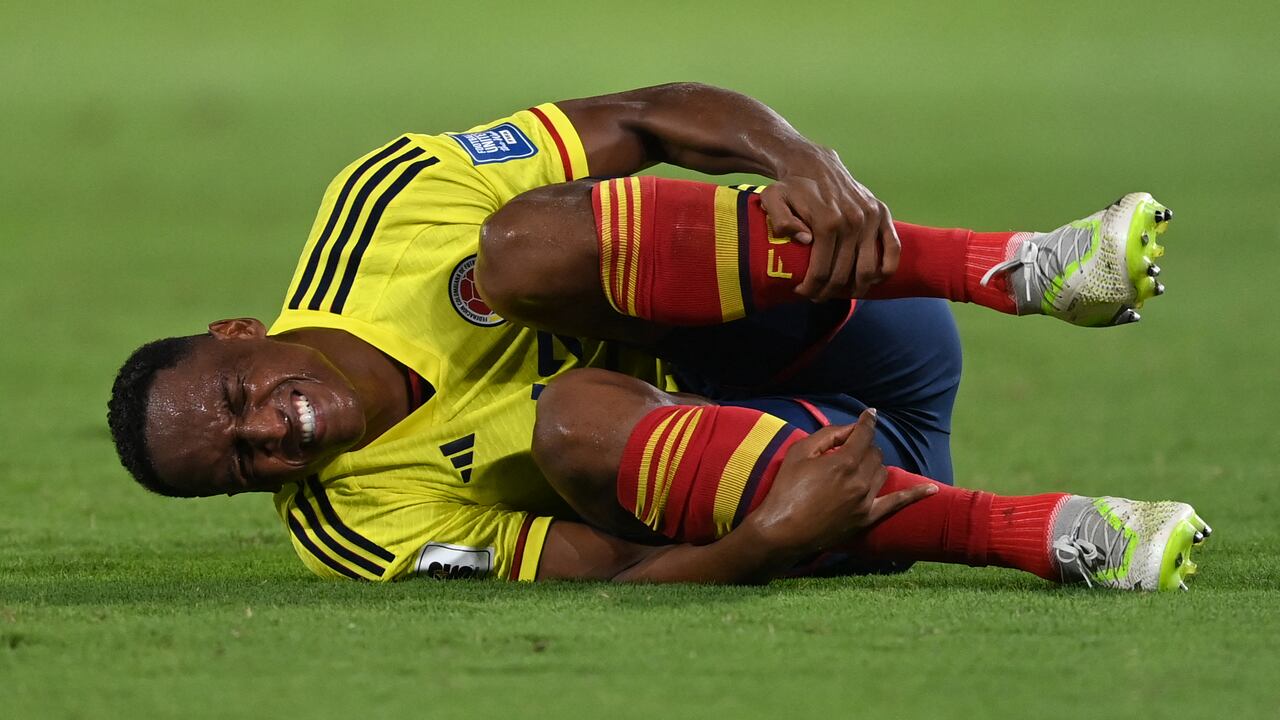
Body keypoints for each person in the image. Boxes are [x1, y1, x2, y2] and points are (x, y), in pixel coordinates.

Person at [107, 83, 1208, 588]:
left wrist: (796, 161)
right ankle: (1056, 535)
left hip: (849, 323)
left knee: (521, 252)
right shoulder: (356, 524)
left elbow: (643, 118)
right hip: (811, 483)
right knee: (573, 424)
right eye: (244, 467)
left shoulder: (381, 210)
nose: (271, 435)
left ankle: (1019, 267)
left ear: (238, 332)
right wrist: (765, 542)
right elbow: (611, 564)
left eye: (237, 399)